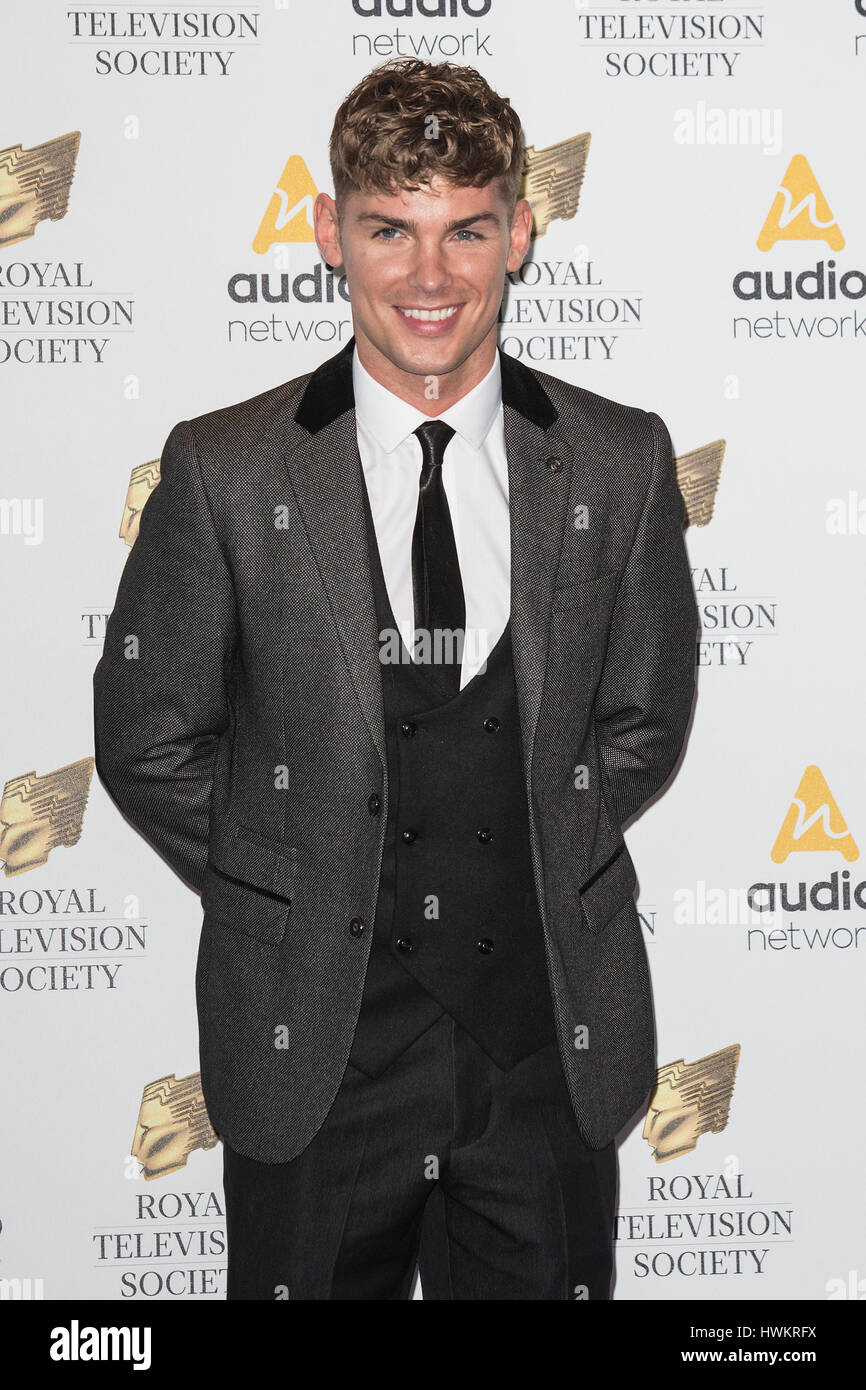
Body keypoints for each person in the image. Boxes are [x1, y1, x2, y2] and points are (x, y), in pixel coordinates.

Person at [93, 57, 699, 1300]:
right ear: (330, 233)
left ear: (518, 232)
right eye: (390, 230)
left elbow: (642, 720)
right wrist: (297, 865)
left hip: (542, 1055)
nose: (430, 277)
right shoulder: (224, 467)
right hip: (314, 1053)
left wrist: (531, 832)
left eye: (465, 230)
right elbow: (148, 735)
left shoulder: (618, 459)